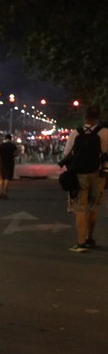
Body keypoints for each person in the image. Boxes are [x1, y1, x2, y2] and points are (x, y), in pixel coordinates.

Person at [62, 105, 108, 253]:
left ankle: (80, 244)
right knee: (94, 206)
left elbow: (67, 154)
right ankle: (89, 237)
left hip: (80, 175)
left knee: (80, 209)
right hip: (99, 174)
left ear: (85, 117)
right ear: (98, 117)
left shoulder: (76, 133)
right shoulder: (106, 133)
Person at [0, 134, 18, 200]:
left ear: (5, 138)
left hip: (2, 163)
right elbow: (15, 154)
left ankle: (1, 193)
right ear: (10, 139)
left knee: (2, 178)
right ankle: (4, 193)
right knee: (7, 178)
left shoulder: (1, 145)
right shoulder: (12, 145)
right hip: (10, 163)